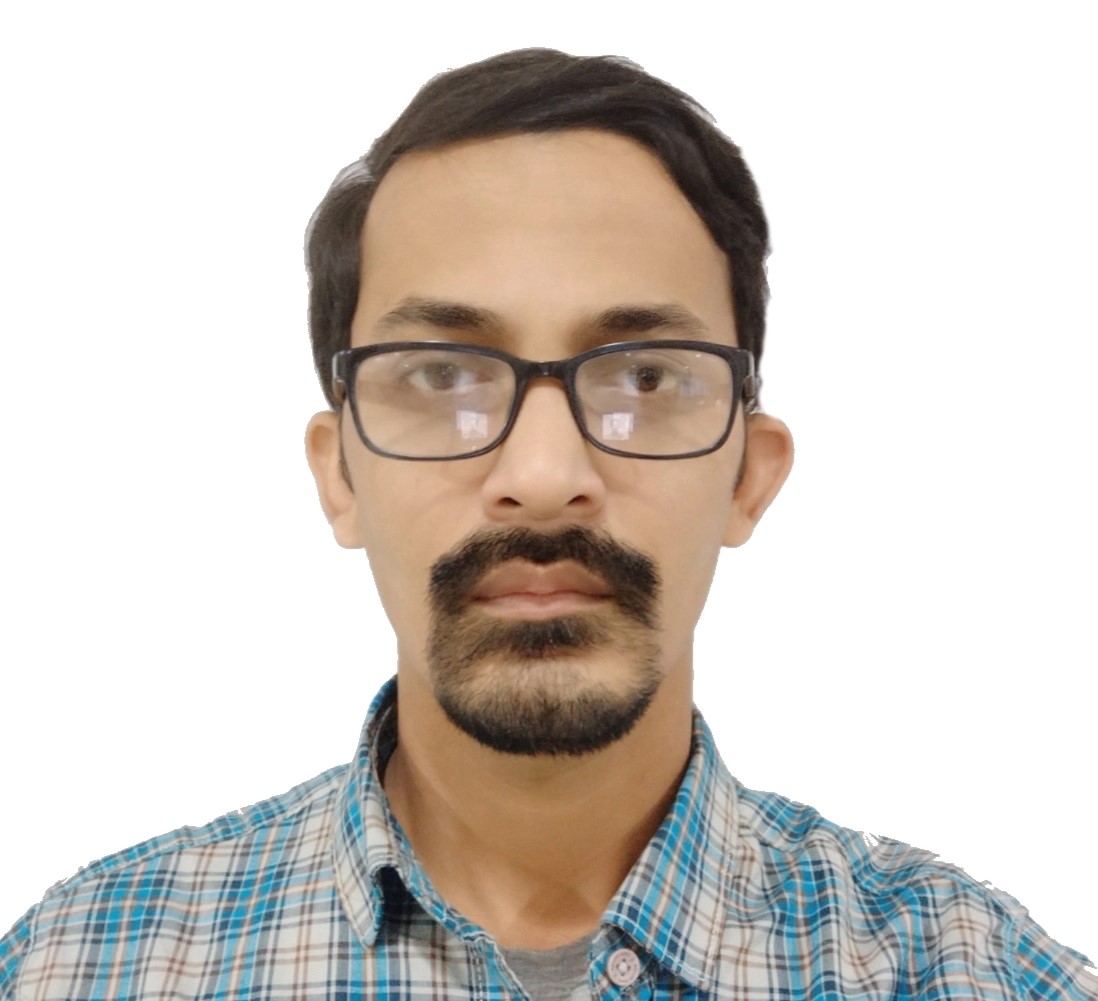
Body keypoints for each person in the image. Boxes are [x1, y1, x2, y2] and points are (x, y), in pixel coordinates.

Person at [1, 47, 1093, 1001]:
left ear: (748, 477)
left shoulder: (973, 972)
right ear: (340, 475)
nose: (542, 475)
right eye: (442, 375)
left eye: (645, 376)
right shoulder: (83, 965)